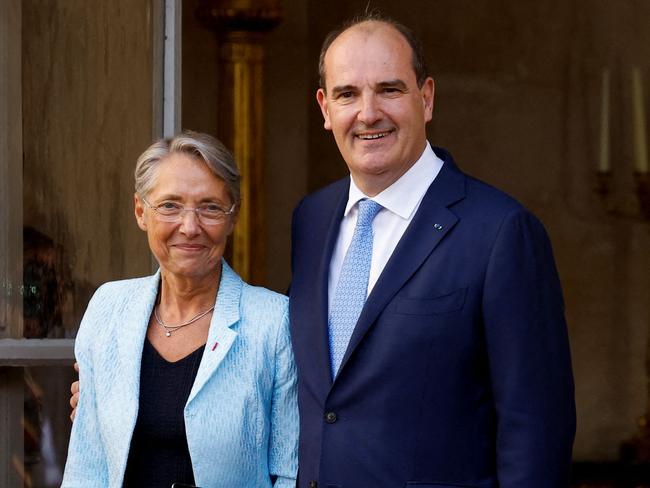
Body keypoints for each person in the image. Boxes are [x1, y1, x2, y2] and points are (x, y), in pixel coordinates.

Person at [288, 14, 576, 488]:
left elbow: (538, 429)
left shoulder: (501, 232)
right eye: (346, 94)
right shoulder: (311, 220)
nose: (367, 112)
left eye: (389, 89)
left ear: (426, 98)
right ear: (324, 108)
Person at [62, 132, 298, 487]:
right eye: (170, 205)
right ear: (141, 212)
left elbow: (289, 471)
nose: (190, 227)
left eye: (210, 207)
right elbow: (86, 465)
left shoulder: (274, 321)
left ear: (233, 217)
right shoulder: (108, 308)